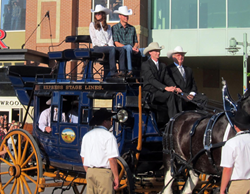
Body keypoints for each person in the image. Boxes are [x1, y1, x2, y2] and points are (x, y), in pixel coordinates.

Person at [80, 108, 119, 194]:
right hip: (104, 173)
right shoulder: (109, 136)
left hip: (90, 171)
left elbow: (83, 157)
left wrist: (89, 171)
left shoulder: (87, 136)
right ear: (105, 121)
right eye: (110, 120)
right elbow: (112, 159)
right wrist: (116, 177)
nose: (111, 123)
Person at [141, 42, 182, 118]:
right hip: (150, 92)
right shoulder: (146, 65)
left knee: (177, 94)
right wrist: (165, 88)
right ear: (150, 52)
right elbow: (151, 79)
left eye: (159, 51)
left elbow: (167, 78)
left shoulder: (162, 65)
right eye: (156, 51)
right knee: (170, 95)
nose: (158, 53)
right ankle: (173, 120)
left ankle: (180, 117)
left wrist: (174, 87)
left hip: (160, 91)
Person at [89, 4, 126, 78]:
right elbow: (94, 38)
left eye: (99, 13)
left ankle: (122, 71)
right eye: (96, 13)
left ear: (103, 15)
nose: (97, 15)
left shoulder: (108, 26)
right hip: (98, 47)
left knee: (121, 49)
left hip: (108, 47)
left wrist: (110, 45)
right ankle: (113, 72)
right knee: (112, 49)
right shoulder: (92, 25)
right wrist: (104, 46)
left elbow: (110, 39)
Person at [166, 46, 207, 110]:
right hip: (178, 95)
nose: (181, 57)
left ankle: (201, 117)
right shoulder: (169, 69)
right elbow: (169, 83)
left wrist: (191, 95)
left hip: (189, 95)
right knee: (177, 100)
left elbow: (193, 85)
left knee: (203, 98)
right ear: (173, 57)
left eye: (182, 55)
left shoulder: (188, 69)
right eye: (178, 55)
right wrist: (182, 94)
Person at [220, 109, 250, 194]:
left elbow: (227, 169)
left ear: (235, 126)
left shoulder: (231, 143)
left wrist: (222, 190)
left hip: (239, 184)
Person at [112, 6, 145, 76]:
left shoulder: (132, 28)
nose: (126, 17)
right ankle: (130, 71)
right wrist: (129, 47)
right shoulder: (115, 28)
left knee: (146, 51)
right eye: (124, 16)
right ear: (120, 16)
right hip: (121, 50)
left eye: (127, 16)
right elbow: (116, 43)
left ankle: (146, 74)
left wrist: (135, 48)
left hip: (132, 49)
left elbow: (136, 42)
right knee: (128, 47)